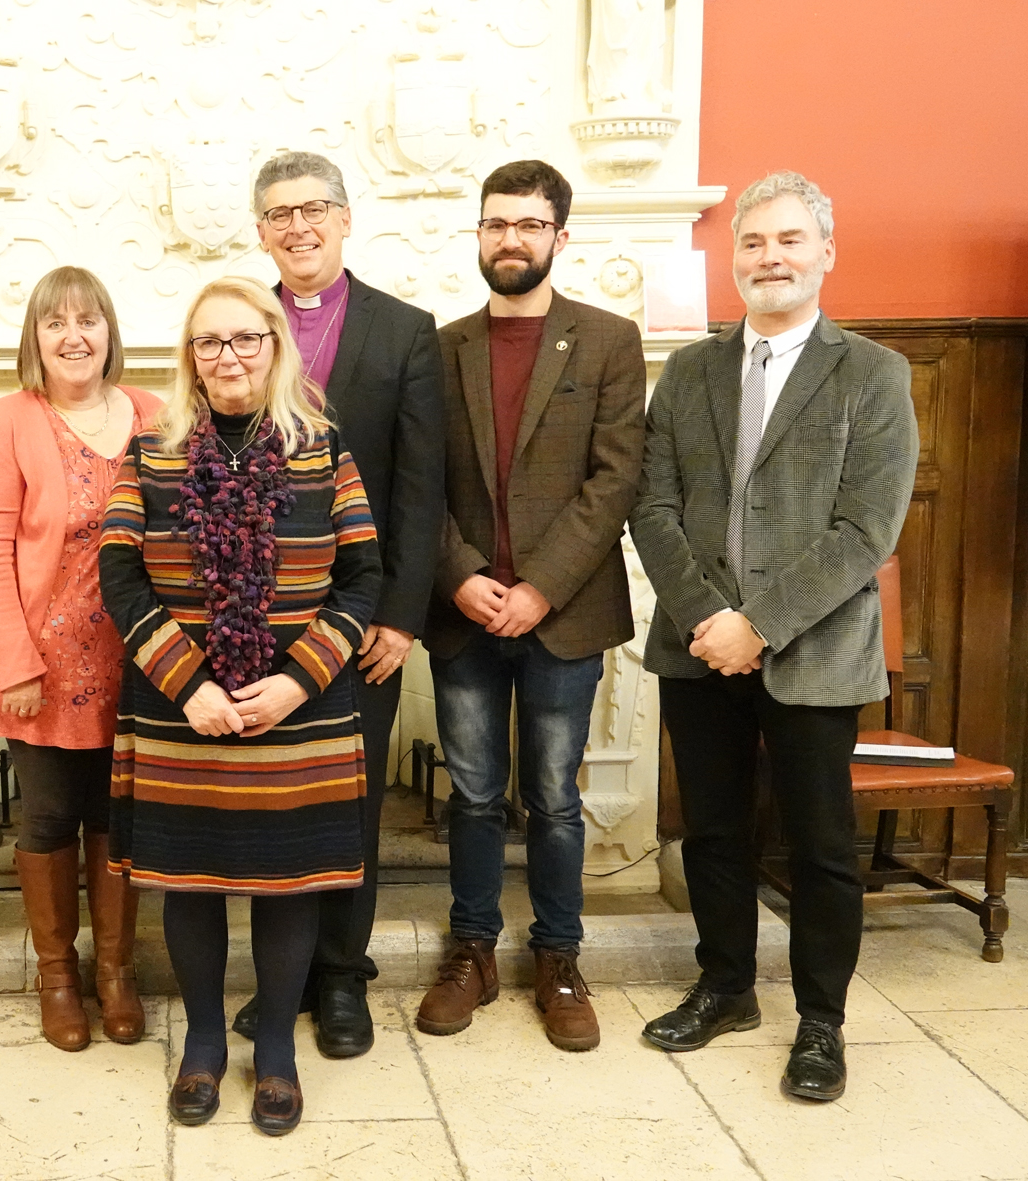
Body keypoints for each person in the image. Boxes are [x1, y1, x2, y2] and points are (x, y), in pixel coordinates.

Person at [629, 171, 917, 1100]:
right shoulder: (690, 371)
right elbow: (652, 502)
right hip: (696, 645)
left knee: (820, 843)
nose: (771, 258)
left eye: (790, 240)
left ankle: (822, 1021)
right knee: (712, 831)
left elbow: (866, 529)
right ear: (735, 259)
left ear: (826, 253)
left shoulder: (873, 374)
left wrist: (759, 624)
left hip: (814, 652)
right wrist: (711, 617)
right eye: (753, 243)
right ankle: (725, 987)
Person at [101, 276, 382, 1136]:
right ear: (190, 358)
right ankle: (202, 1047)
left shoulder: (322, 449)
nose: (228, 356)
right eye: (209, 342)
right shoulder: (146, 453)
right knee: (191, 884)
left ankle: (280, 1057)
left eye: (244, 339)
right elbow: (118, 574)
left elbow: (365, 573)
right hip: (182, 709)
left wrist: (299, 679)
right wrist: (191, 686)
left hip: (301, 707)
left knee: (288, 885)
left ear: (273, 344)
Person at [414, 160, 646, 1051]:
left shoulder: (608, 340)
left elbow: (616, 476)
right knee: (472, 796)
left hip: (566, 617)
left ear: (559, 236)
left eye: (529, 224)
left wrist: (539, 586)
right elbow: (417, 484)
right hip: (464, 613)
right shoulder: (439, 347)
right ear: (478, 234)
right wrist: (463, 576)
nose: (510, 238)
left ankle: (558, 957)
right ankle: (472, 949)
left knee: (552, 798)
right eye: (496, 223)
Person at [230, 150, 445, 1059]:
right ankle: (281, 976)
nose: (298, 226)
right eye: (279, 213)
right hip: (256, 622)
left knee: (350, 801)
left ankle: (342, 977)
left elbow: (423, 485)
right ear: (261, 231)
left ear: (347, 219)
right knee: (272, 805)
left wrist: (399, 616)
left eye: (314, 208)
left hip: (361, 623)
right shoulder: (236, 326)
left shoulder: (405, 329)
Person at [0, 267, 161, 1051]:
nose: (74, 335)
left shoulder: (153, 413)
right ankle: (57, 972)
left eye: (89, 320)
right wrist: (12, 657)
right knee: (50, 813)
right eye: (57, 323)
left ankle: (115, 969)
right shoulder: (8, 419)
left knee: (121, 815)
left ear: (111, 332)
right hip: (40, 659)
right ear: (34, 338)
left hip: (141, 655)